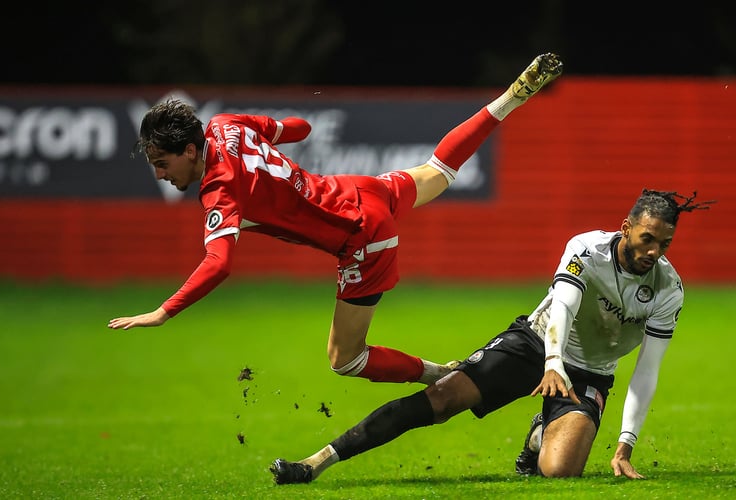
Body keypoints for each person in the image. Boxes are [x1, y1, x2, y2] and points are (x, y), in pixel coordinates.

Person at [107, 53, 564, 386]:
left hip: (361, 238)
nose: (160, 174)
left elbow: (219, 263)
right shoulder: (227, 123)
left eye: (162, 163)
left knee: (344, 359)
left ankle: (444, 375)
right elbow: (298, 129)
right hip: (356, 190)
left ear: (189, 151)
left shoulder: (219, 189)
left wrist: (164, 312)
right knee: (438, 172)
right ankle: (505, 102)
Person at [270, 189, 715, 483]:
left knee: (558, 473)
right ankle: (317, 463)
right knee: (442, 399)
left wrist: (625, 443)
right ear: (626, 228)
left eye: (664, 244)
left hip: (590, 372)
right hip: (537, 343)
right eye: (647, 239)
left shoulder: (667, 289)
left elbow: (648, 368)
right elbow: (562, 305)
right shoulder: (586, 250)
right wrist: (552, 362)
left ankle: (541, 433)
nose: (653, 252)